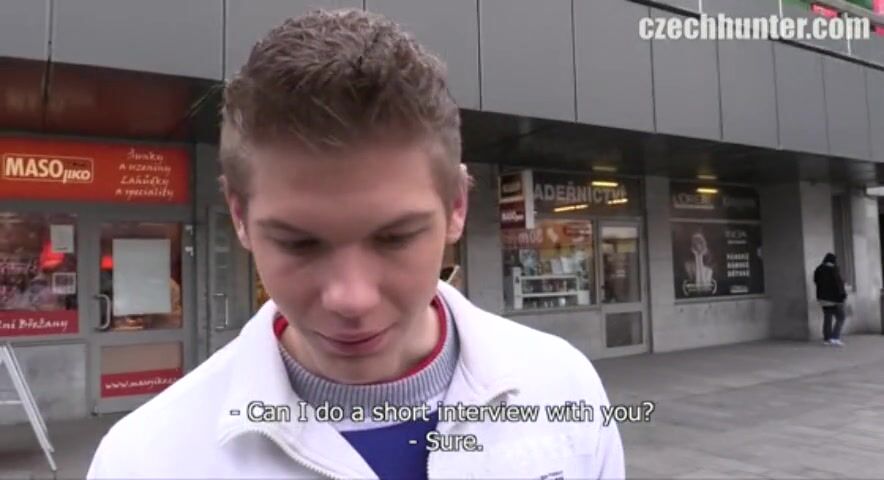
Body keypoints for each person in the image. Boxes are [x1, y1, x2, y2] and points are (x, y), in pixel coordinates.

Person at [87, 9, 624, 479]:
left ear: (457, 206)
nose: (352, 299)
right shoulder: (144, 462)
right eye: (299, 244)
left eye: (395, 238)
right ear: (240, 217)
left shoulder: (564, 387)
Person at [813, 253, 848, 347]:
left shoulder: (818, 269)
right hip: (834, 299)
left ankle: (827, 339)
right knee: (841, 317)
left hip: (822, 299)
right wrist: (843, 296)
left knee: (827, 318)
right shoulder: (834, 269)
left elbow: (815, 281)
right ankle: (835, 337)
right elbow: (838, 284)